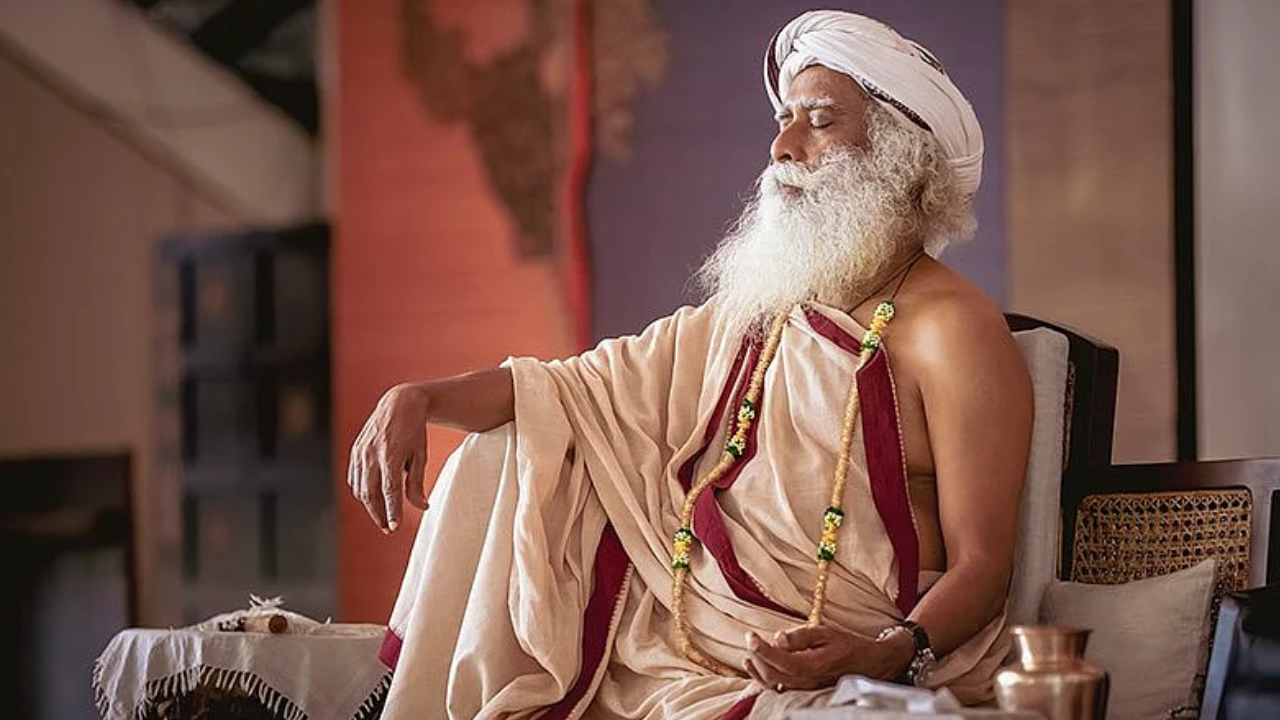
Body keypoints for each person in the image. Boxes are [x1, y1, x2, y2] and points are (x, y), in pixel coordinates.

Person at [347, 10, 1033, 719]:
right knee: (504, 450)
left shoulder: (953, 330)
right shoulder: (766, 311)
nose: (783, 147)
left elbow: (984, 565)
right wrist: (420, 398)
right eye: (784, 120)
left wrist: (881, 653)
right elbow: (572, 391)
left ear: (899, 152)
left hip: (846, 652)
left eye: (820, 121)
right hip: (681, 636)